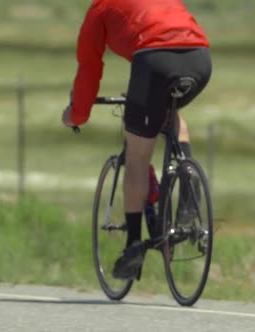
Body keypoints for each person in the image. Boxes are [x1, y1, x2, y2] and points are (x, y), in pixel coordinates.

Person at [61, 0, 212, 280]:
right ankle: (189, 191)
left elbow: (89, 68)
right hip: (200, 57)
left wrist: (76, 115)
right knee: (169, 114)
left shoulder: (100, 10)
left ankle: (132, 245)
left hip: (155, 60)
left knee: (137, 156)